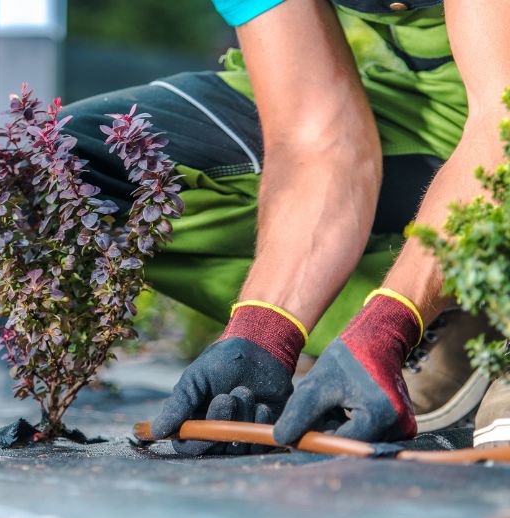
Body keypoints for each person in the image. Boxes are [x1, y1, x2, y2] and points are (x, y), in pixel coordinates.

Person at [62, 0, 509, 454]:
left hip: (496, 99)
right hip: (412, 108)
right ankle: (452, 315)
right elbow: (316, 138)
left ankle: (464, 311)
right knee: (56, 168)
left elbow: (501, 118)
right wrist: (262, 335)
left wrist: (387, 327)